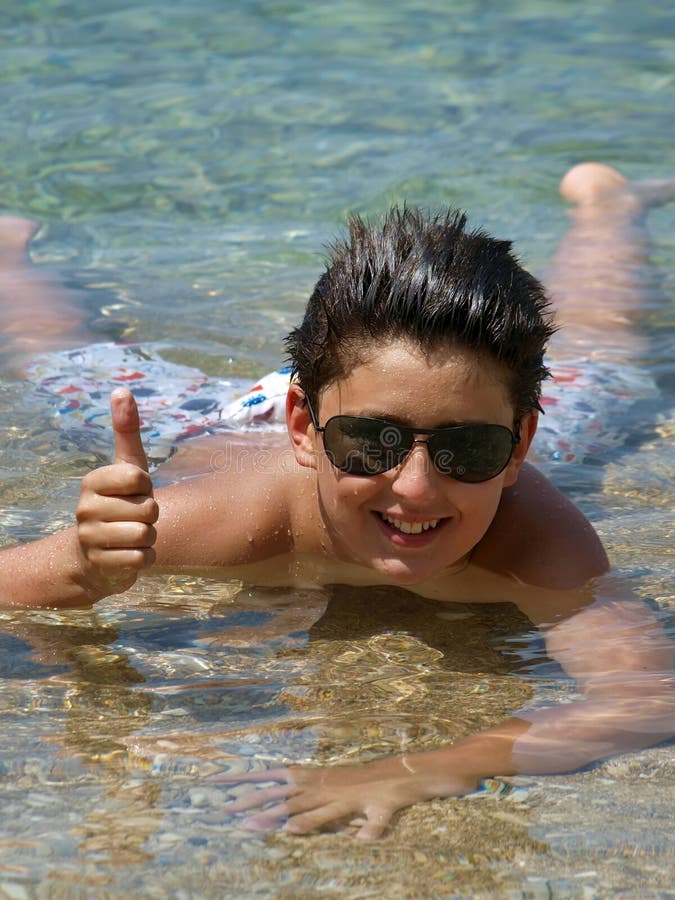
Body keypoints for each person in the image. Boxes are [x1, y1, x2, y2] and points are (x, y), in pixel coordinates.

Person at [0, 163, 673, 840]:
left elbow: (647, 699)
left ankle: (606, 207)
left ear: (520, 443)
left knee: (599, 360)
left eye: (467, 451)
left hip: (390, 397)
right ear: (302, 428)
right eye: (372, 445)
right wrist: (85, 569)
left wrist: (428, 768)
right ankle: (9, 254)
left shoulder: (535, 540)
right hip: (219, 422)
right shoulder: (232, 519)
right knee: (63, 368)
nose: (414, 487)